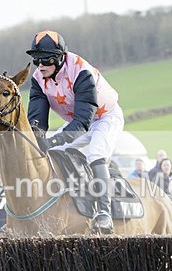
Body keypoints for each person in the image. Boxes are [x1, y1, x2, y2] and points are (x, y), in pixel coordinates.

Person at [26, 30, 124, 234]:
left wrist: (53, 140)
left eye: (45, 60)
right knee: (51, 152)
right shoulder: (38, 78)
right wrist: (37, 135)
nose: (40, 66)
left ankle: (104, 213)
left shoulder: (81, 72)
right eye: (36, 61)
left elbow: (82, 122)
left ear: (60, 58)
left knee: (96, 154)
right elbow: (37, 116)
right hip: (79, 122)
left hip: (105, 117)